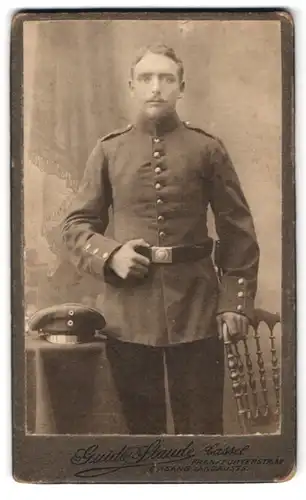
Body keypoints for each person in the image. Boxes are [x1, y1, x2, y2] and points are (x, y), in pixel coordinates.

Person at [61, 43, 260, 435]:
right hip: (129, 314)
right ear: (132, 86)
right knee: (141, 433)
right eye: (147, 78)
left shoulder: (207, 149)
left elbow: (237, 228)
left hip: (199, 310)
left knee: (202, 431)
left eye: (166, 78)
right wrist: (111, 254)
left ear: (181, 88)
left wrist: (235, 302)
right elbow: (75, 225)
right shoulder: (109, 150)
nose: (156, 87)